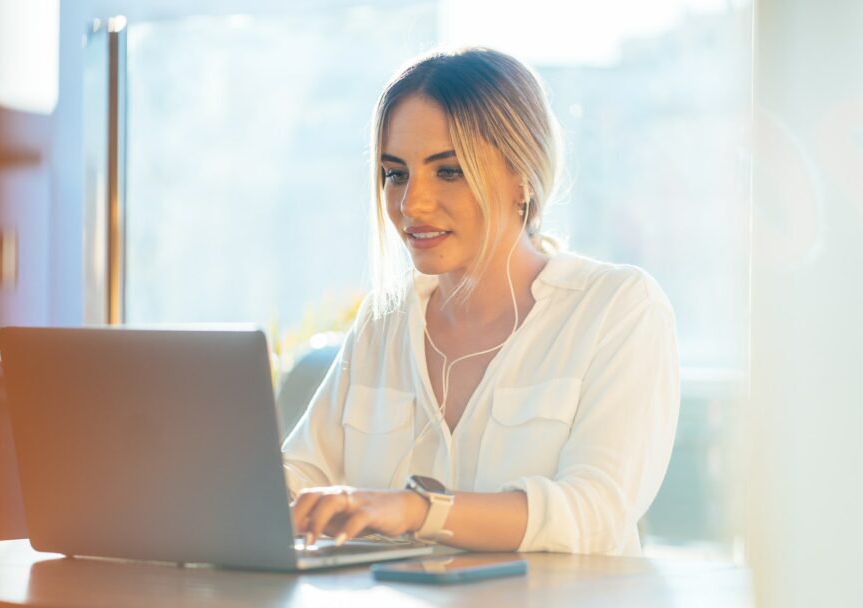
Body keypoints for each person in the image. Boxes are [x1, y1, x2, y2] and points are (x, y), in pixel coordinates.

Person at [282, 47, 679, 556]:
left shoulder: (619, 309)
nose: (411, 204)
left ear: (523, 178)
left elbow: (595, 512)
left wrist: (418, 510)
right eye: (395, 173)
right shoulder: (384, 322)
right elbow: (299, 475)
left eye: (448, 171)